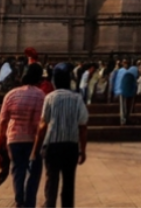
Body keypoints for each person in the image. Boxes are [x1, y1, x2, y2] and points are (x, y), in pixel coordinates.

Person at [32, 67, 88, 208]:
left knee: (51, 183)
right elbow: (83, 126)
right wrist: (82, 150)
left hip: (52, 146)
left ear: (54, 81)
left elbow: (43, 125)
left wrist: (36, 148)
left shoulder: (50, 98)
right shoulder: (77, 98)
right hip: (71, 146)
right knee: (68, 184)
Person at [0, 63, 46, 208]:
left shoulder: (11, 94)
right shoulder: (40, 95)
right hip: (33, 140)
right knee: (34, 173)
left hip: (14, 139)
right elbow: (39, 123)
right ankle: (29, 203)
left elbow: (2, 121)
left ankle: (19, 202)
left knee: (18, 170)